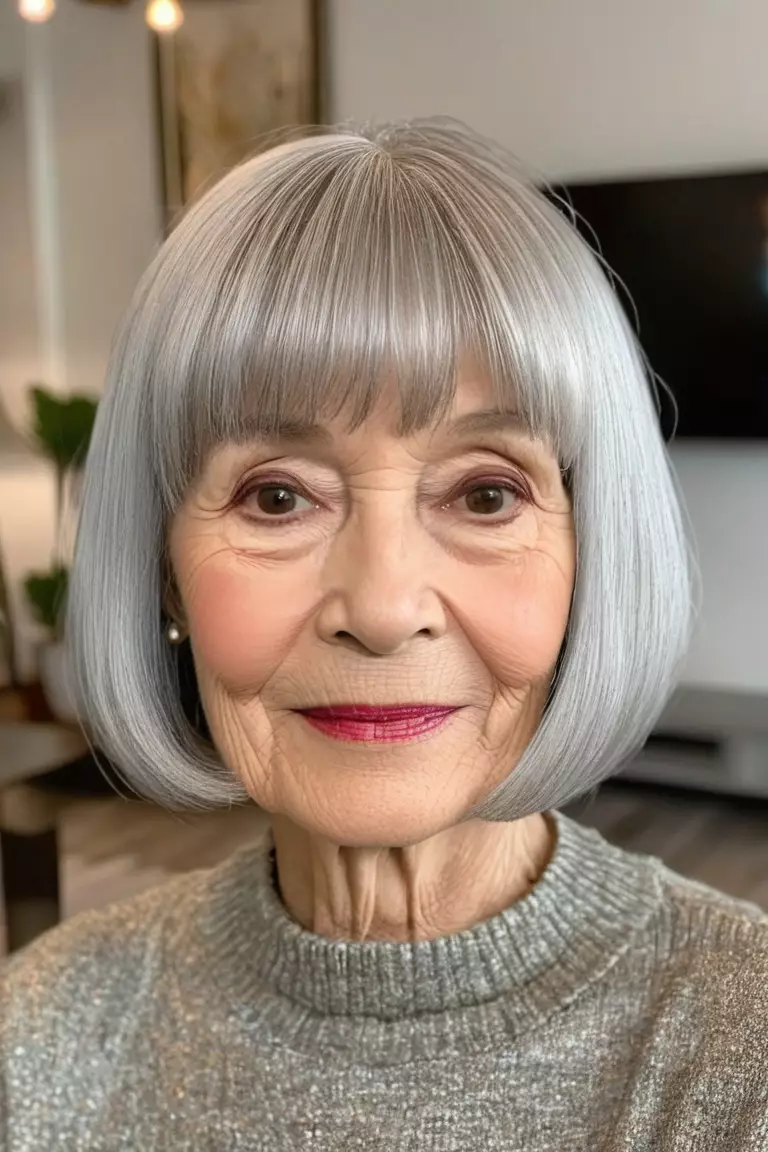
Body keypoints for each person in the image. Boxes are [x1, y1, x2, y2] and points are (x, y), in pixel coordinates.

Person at [2, 119, 767, 1151]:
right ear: (162, 572)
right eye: (277, 497)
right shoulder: (41, 1038)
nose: (382, 604)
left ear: (592, 551)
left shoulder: (738, 1050)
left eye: (486, 493)